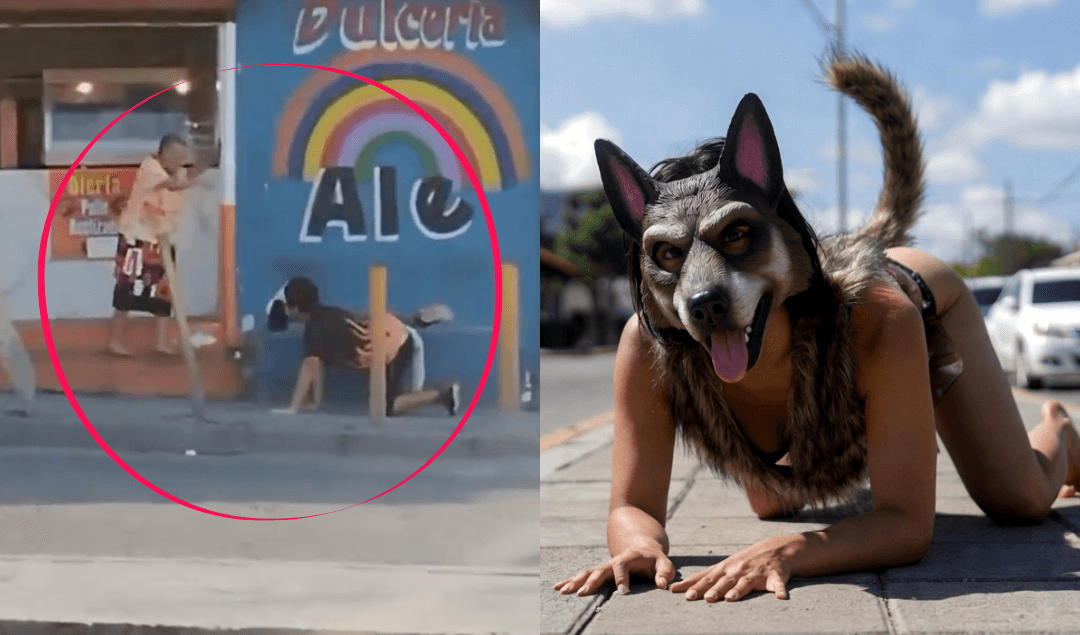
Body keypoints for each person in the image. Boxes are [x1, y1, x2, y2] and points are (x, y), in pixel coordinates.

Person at [554, 57, 1080, 604]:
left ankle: (1059, 431)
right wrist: (638, 544)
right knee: (773, 498)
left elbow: (906, 525)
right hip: (799, 336)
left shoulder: (880, 317)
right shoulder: (648, 342)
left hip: (918, 301)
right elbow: (631, 507)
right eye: (668, 253)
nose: (703, 291)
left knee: (1019, 500)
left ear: (778, 233)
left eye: (735, 235)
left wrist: (790, 551)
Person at [270, 276, 460, 416]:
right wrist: (315, 402)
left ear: (295, 308)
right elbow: (316, 365)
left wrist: (292, 408)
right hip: (393, 334)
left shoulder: (315, 330)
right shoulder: (327, 314)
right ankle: (415, 320)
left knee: (384, 407)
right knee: (384, 399)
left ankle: (444, 396)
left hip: (392, 345)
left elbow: (309, 367)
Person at [107, 134, 205, 356]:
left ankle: (161, 342)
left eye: (182, 157)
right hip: (137, 236)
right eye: (176, 157)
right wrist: (199, 178)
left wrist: (201, 166)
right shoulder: (149, 167)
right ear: (164, 154)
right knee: (127, 288)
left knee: (163, 291)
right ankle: (115, 339)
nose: (180, 162)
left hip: (162, 237)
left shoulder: (177, 171)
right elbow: (174, 185)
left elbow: (183, 177)